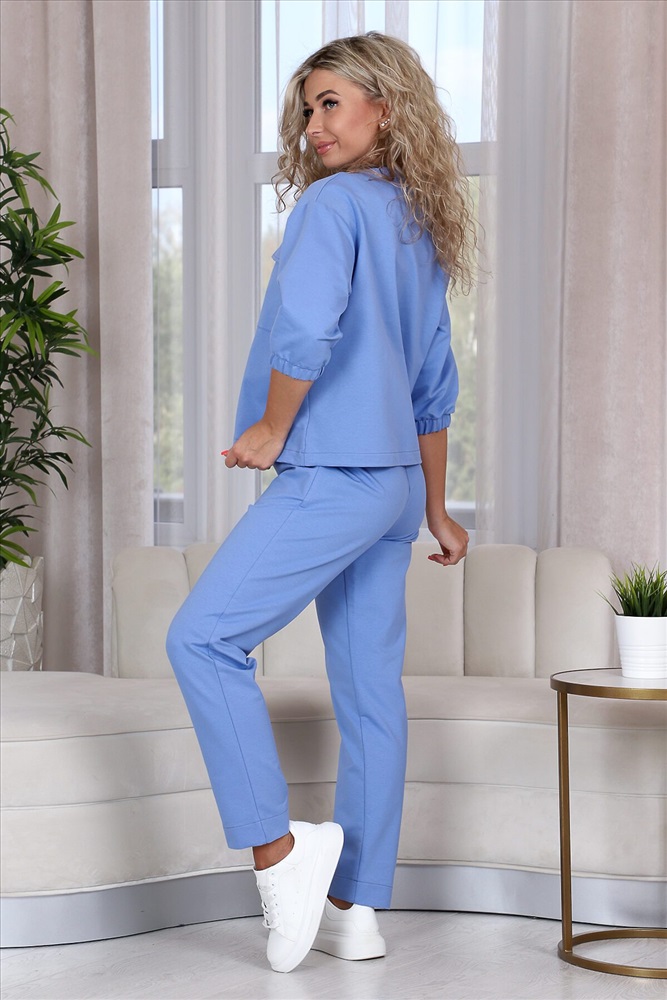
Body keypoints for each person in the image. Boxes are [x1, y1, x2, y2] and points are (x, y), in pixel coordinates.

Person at [166, 31, 475, 975]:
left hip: (335, 473)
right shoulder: (416, 219)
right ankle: (356, 909)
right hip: (391, 487)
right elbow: (432, 383)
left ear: (386, 106)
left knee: (201, 639)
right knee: (371, 696)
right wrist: (433, 507)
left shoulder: (333, 206)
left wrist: (270, 427)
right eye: (307, 109)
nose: (313, 125)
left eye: (330, 102)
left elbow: (305, 327)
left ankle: (279, 854)